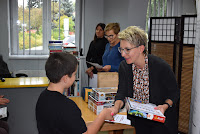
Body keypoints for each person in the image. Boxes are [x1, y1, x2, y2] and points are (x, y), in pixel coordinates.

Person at [109, 26, 180, 134]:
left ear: (141, 48)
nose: (123, 54)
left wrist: (165, 106)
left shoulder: (160, 66)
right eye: (121, 49)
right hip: (139, 119)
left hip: (161, 123)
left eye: (127, 49)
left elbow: (174, 93)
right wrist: (115, 107)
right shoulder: (124, 66)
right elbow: (121, 92)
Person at [36, 52, 113, 134]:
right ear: (65, 78)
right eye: (74, 74)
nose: (75, 77)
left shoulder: (42, 97)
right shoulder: (67, 106)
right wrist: (102, 116)